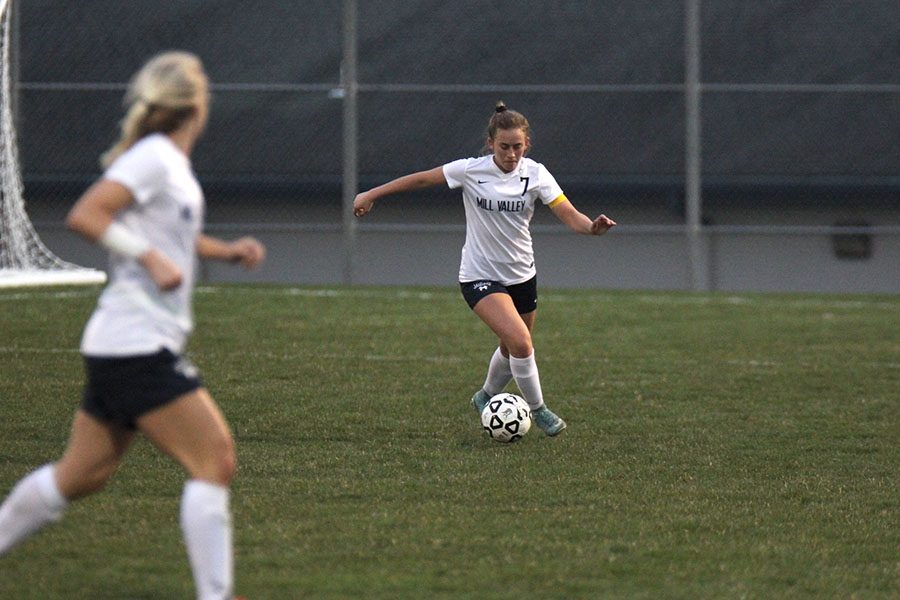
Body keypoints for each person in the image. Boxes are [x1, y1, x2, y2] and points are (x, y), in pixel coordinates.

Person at [0, 51, 264, 600]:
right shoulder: (154, 158)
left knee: (80, 475)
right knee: (214, 458)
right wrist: (149, 257)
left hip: (120, 344)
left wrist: (226, 251)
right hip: (135, 343)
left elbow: (176, 240)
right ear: (196, 105)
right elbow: (86, 214)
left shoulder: (169, 163)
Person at [353, 101, 616, 436]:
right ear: (491, 143)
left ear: (527, 145)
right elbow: (421, 180)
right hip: (479, 275)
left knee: (511, 347)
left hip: (522, 274)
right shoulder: (470, 170)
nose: (511, 154)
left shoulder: (536, 174)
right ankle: (539, 411)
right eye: (504, 147)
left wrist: (592, 227)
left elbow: (568, 214)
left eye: (517, 147)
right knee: (521, 343)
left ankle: (485, 396)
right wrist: (371, 194)